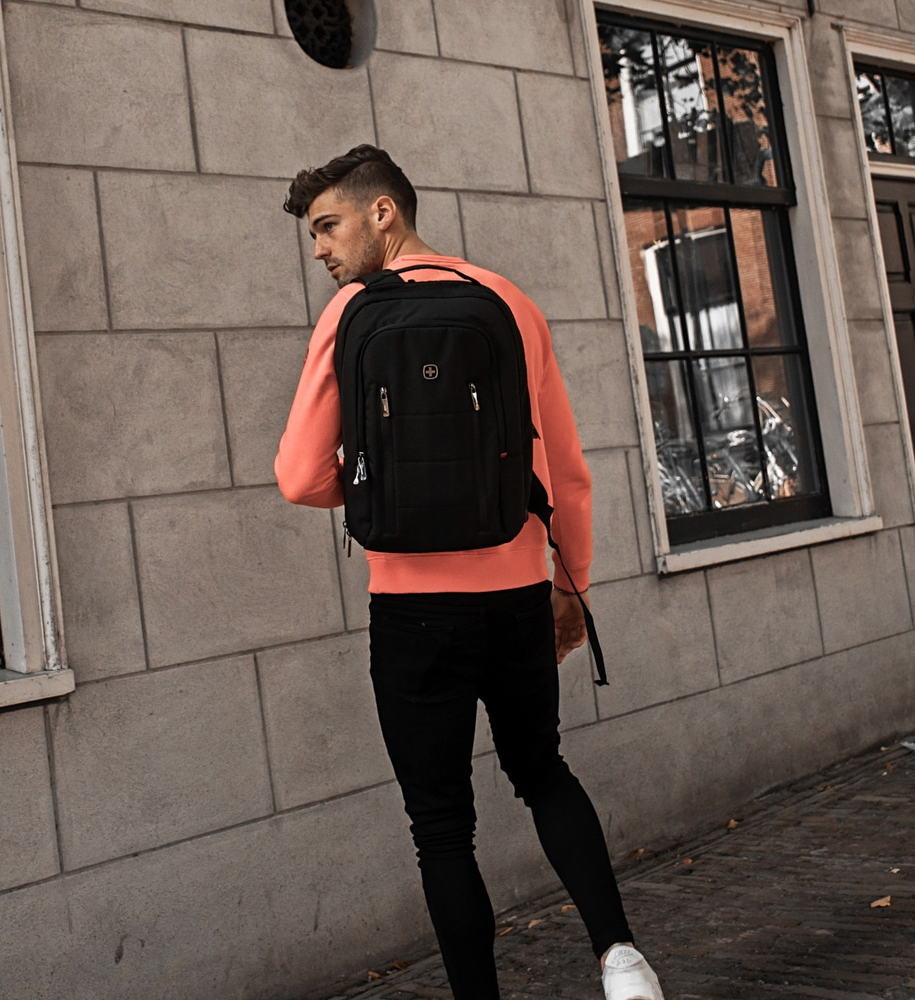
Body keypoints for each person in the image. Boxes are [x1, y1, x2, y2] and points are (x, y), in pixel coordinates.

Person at [275, 145, 664, 1000]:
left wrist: (382, 481)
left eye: (328, 226)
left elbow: (300, 477)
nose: (320, 251)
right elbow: (563, 468)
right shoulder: (508, 301)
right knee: (544, 771)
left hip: (412, 613)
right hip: (519, 591)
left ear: (385, 214)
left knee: (442, 827)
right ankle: (621, 958)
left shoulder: (349, 316)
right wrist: (574, 587)